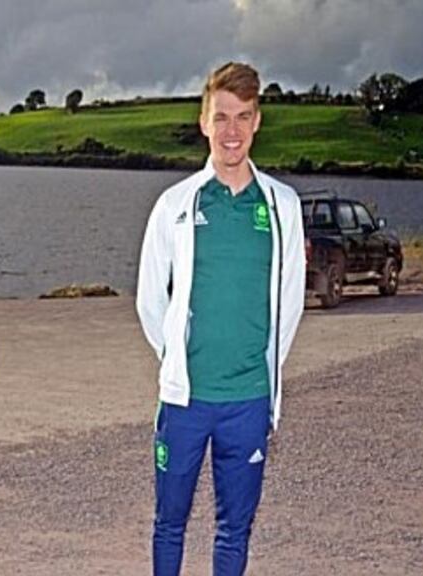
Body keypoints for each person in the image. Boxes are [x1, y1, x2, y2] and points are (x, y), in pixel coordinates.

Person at [135, 62, 305, 575]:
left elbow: (289, 302)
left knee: (235, 529)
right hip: (186, 400)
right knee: (170, 522)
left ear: (257, 122)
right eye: (222, 116)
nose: (232, 130)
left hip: (248, 401)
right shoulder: (175, 205)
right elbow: (149, 299)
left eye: (243, 117)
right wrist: (178, 360)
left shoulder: (282, 206)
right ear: (203, 121)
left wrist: (263, 366)